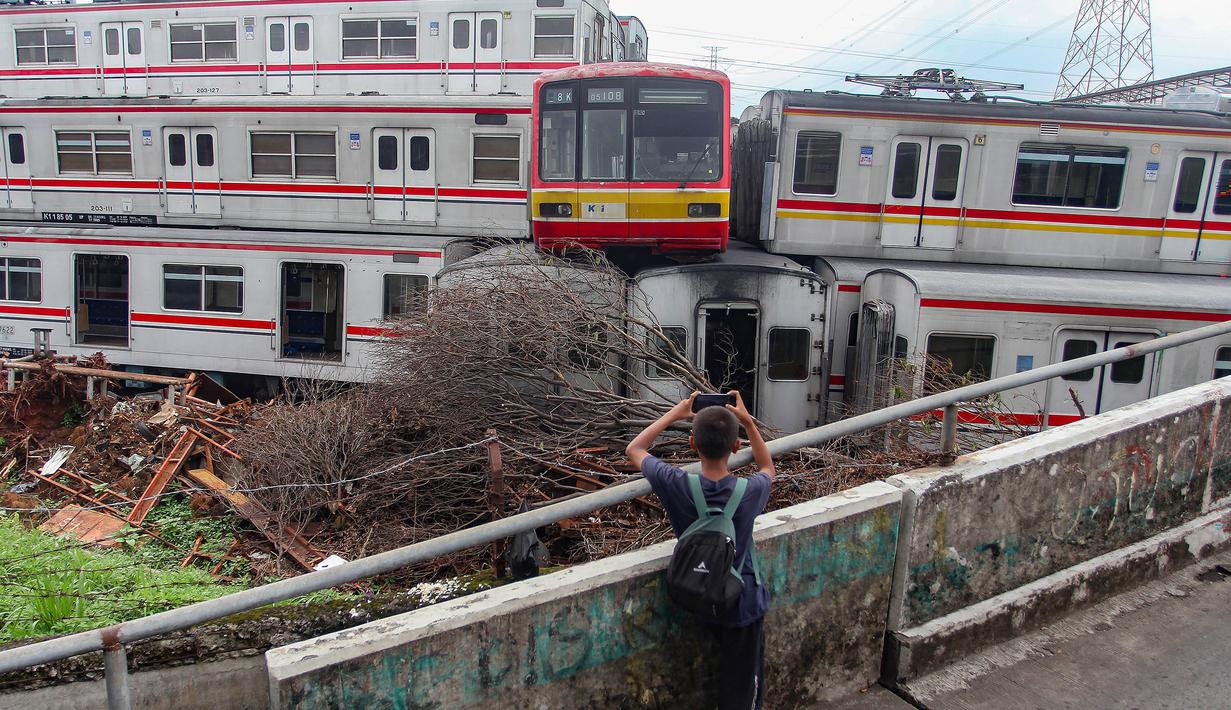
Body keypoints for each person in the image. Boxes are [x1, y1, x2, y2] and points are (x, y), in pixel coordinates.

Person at [625, 390, 776, 710]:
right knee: (742, 691)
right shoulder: (749, 492)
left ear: (693, 445)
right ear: (736, 447)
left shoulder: (676, 483)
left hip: (697, 594)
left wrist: (676, 413)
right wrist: (748, 423)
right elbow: (767, 467)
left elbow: (634, 449)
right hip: (741, 602)